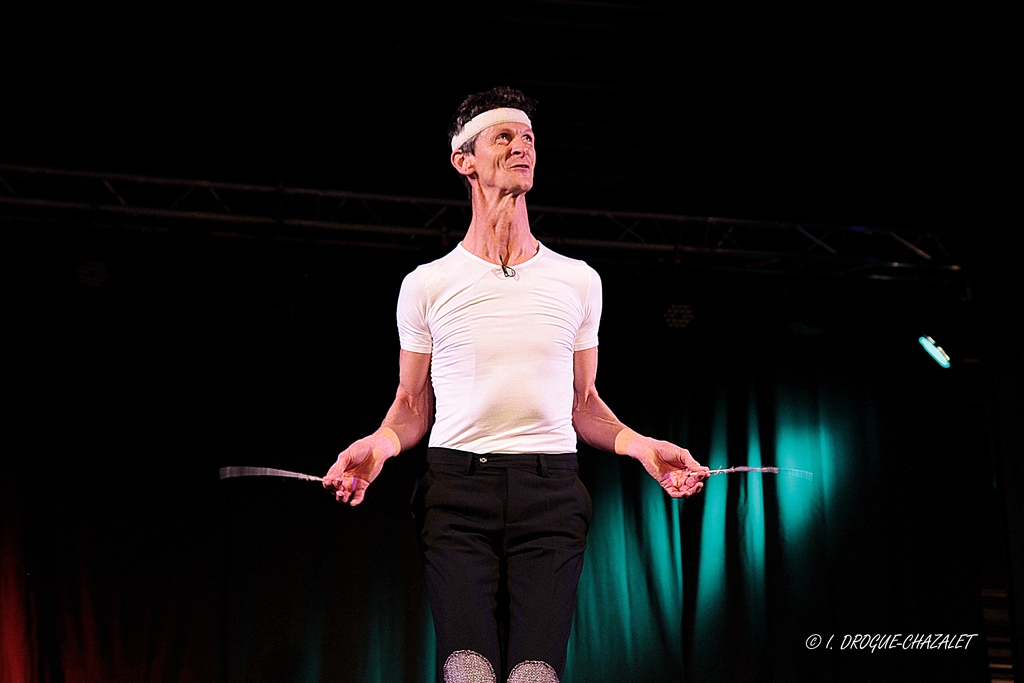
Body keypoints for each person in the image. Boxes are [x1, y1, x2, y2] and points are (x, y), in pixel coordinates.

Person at [323, 86, 708, 683]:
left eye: (528, 138)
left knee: (535, 673)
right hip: (456, 493)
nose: (522, 148)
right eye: (504, 137)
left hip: (549, 491)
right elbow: (411, 404)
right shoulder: (427, 284)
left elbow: (583, 403)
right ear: (464, 160)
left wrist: (643, 448)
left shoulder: (577, 281)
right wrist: (378, 445)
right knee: (469, 670)